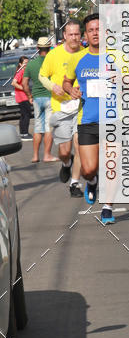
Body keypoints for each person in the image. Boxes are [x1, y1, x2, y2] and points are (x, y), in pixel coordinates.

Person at [63, 13, 115, 225]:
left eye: (99, 29)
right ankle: (92, 182)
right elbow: (67, 82)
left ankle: (107, 208)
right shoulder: (77, 58)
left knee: (111, 166)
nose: (95, 33)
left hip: (113, 118)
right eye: (91, 30)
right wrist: (71, 91)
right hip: (88, 121)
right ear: (86, 34)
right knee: (88, 168)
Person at [39, 21, 84, 198]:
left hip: (81, 108)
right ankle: (66, 163)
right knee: (65, 151)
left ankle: (75, 183)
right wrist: (53, 86)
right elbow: (42, 76)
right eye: (71, 34)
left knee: (79, 146)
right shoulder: (54, 55)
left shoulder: (85, 54)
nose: (74, 37)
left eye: (77, 34)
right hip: (60, 107)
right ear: (64, 35)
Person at [23, 37, 58, 163]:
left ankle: (35, 156)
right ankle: (47, 155)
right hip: (51, 97)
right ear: (49, 48)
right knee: (49, 127)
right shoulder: (53, 61)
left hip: (37, 98)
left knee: (38, 127)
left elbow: (24, 82)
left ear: (37, 48)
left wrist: (29, 96)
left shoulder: (31, 63)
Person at [12, 56, 32, 140]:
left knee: (24, 115)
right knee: (26, 115)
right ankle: (24, 133)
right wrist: (23, 88)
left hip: (24, 97)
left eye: (28, 63)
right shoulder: (20, 72)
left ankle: (23, 133)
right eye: (25, 63)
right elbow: (13, 83)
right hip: (22, 97)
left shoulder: (24, 71)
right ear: (20, 64)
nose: (26, 65)